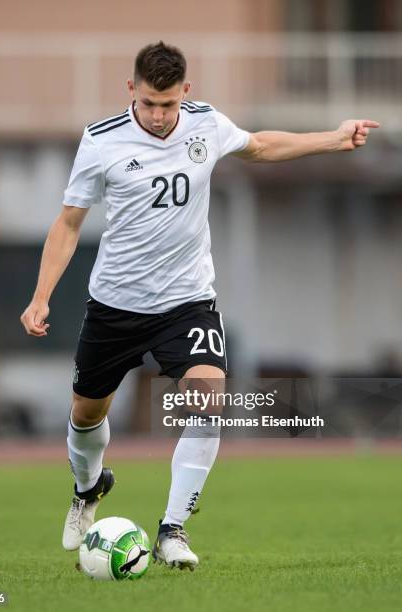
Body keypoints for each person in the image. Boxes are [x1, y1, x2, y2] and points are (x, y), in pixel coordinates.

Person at [20, 41, 379, 571]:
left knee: (209, 401)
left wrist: (333, 137)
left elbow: (258, 146)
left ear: (185, 92)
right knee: (86, 413)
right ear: (131, 92)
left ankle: (172, 530)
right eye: (148, 103)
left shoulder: (206, 124)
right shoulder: (100, 142)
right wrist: (41, 296)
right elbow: (68, 223)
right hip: (116, 305)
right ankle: (87, 489)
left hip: (187, 301)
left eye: (168, 104)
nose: (160, 115)